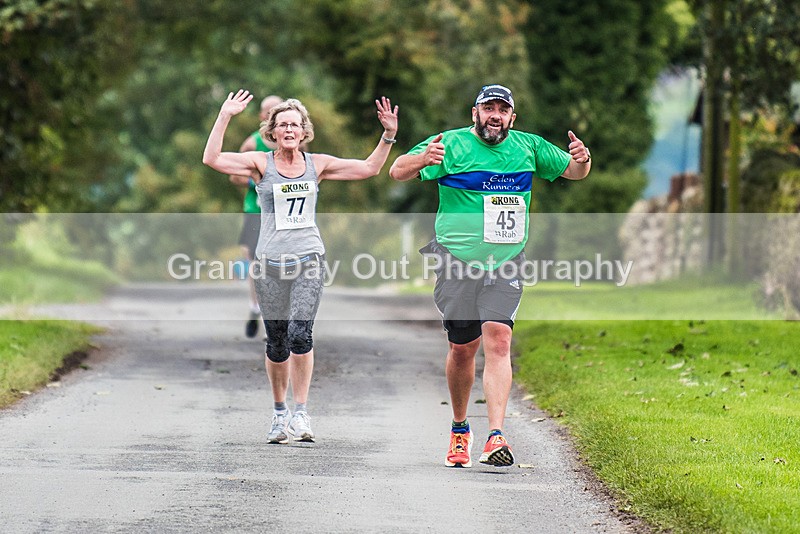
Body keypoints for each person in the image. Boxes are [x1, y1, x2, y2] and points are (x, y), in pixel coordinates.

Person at [389, 84, 591, 467]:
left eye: (502, 109)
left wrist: (584, 160)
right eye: (488, 108)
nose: (495, 115)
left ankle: (496, 435)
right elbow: (397, 171)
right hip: (457, 261)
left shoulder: (529, 147)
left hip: (506, 260)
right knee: (463, 349)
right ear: (475, 113)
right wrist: (421, 160)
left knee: (499, 340)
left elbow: (575, 171)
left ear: (512, 117)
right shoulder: (450, 144)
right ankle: (460, 428)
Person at [204, 89, 398, 443]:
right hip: (269, 264)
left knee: (300, 335)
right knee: (277, 343)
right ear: (272, 131)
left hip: (309, 259)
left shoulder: (317, 164)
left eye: (295, 125)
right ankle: (279, 414)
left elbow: (369, 168)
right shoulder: (260, 164)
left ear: (304, 131)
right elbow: (212, 158)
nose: (289, 130)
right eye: (283, 125)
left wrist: (388, 135)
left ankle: (302, 412)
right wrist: (225, 115)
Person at [230, 95, 283, 339]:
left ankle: (275, 316)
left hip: (284, 213)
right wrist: (259, 183)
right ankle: (256, 307)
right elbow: (234, 176)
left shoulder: (296, 142)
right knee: (256, 262)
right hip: (256, 211)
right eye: (270, 112)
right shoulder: (252, 143)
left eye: (279, 111)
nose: (275, 116)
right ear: (262, 116)